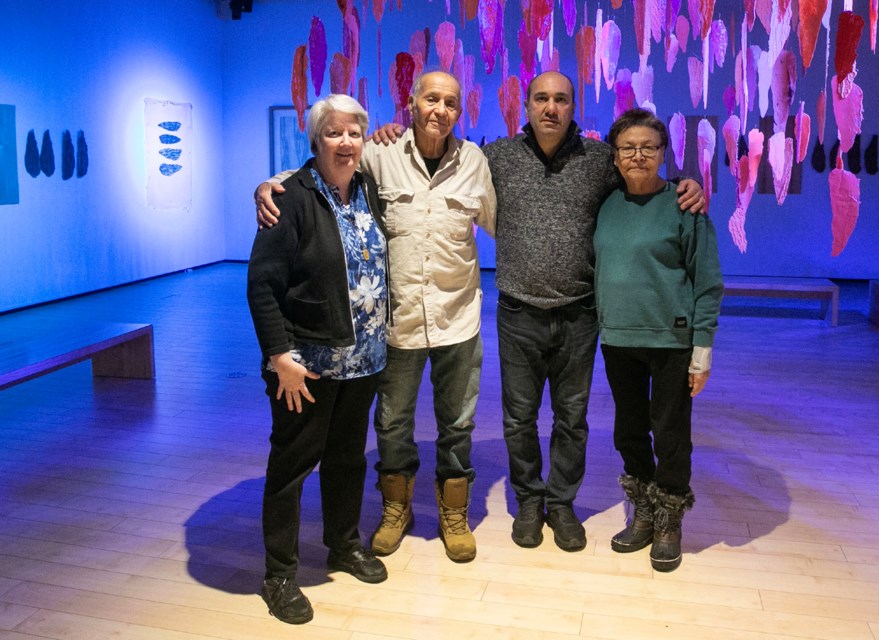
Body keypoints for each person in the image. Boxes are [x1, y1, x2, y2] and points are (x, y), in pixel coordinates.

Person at [256, 71, 496, 563]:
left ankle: (453, 514)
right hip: (398, 325)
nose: (440, 110)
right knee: (391, 424)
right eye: (431, 98)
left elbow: (502, 222)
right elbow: (316, 173)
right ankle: (394, 510)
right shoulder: (381, 156)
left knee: (457, 424)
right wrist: (267, 185)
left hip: (455, 321)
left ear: (459, 110)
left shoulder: (474, 162)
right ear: (411, 103)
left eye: (450, 101)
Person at [480, 72, 705, 552]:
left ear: (572, 105)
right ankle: (528, 501)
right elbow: (443, 164)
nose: (550, 107)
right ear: (527, 103)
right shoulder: (496, 157)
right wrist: (387, 135)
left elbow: (648, 173)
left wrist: (691, 184)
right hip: (518, 311)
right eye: (541, 97)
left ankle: (561, 505)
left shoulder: (599, 158)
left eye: (561, 99)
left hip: (580, 314)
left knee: (571, 419)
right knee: (518, 419)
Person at [247, 94, 389, 625]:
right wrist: (278, 354)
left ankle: (343, 544)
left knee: (349, 459)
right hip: (305, 366)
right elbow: (262, 286)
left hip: (365, 360)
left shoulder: (368, 191)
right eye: (334, 132)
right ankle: (279, 574)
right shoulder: (289, 198)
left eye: (354, 132)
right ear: (315, 140)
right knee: (292, 466)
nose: (346, 142)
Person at [593, 108, 723, 571]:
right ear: (615, 156)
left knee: (670, 433)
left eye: (649, 147)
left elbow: (707, 282)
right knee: (629, 429)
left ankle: (670, 517)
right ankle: (643, 510)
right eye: (628, 148)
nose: (638, 155)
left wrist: (702, 352)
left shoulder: (685, 206)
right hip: (618, 337)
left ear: (663, 153)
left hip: (673, 340)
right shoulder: (606, 205)